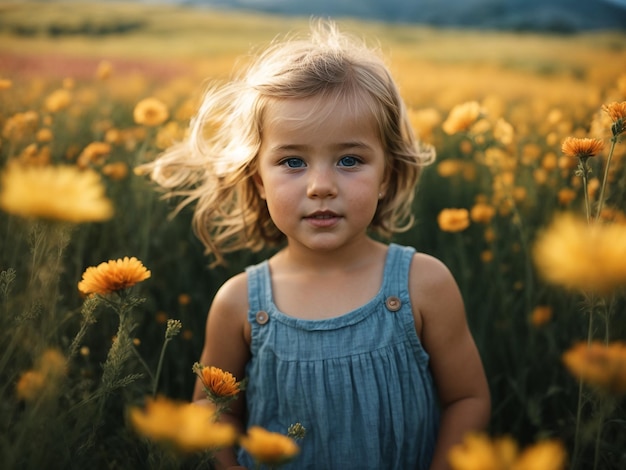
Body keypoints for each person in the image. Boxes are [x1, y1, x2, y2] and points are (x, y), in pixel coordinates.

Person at [144, 20, 490, 470]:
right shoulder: (240, 302)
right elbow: (214, 413)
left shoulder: (423, 285)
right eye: (292, 161)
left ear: (386, 175)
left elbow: (468, 398)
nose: (321, 186)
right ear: (259, 180)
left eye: (350, 160)